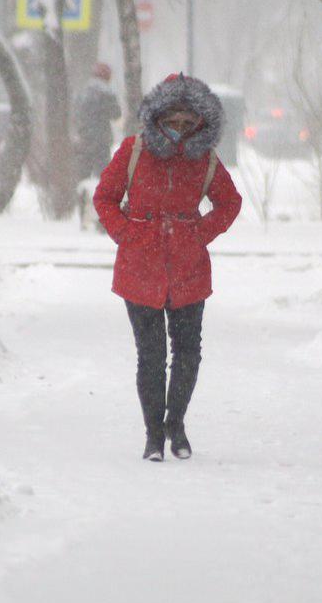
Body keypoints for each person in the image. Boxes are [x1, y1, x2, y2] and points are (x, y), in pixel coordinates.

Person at [93, 73, 243, 462]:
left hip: (190, 271)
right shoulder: (134, 150)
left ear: (199, 122)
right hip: (138, 270)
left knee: (188, 353)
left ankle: (176, 425)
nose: (178, 130)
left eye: (186, 123)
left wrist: (198, 234)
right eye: (171, 121)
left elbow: (230, 203)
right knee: (151, 355)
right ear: (156, 117)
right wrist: (129, 235)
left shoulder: (205, 158)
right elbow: (105, 198)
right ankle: (153, 435)